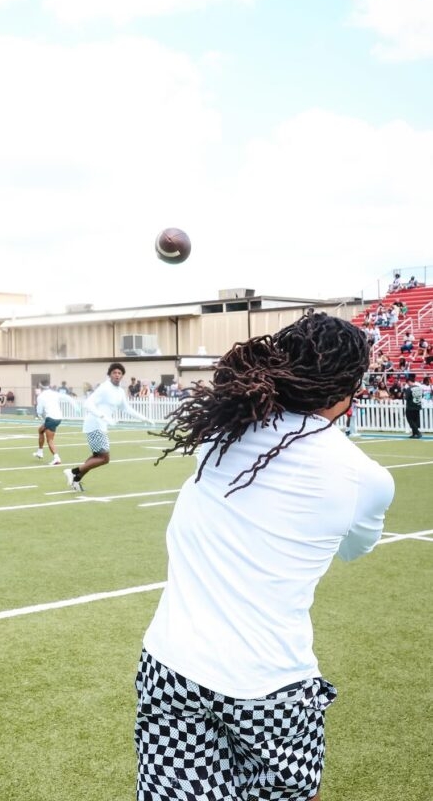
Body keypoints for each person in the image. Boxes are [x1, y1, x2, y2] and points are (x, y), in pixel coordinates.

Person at [135, 313, 395, 801]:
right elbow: (356, 549)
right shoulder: (366, 479)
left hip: (172, 665)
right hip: (272, 684)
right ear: (349, 388)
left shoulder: (221, 430)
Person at [65, 362, 155, 492]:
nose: (117, 375)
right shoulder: (104, 387)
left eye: (119, 373)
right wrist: (102, 416)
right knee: (104, 458)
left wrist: (144, 418)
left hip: (101, 426)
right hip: (94, 424)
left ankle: (76, 479)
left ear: (122, 376)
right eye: (114, 373)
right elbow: (88, 404)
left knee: (97, 456)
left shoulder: (119, 391)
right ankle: (73, 472)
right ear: (110, 374)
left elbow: (126, 408)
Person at [33, 380, 68, 465]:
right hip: (58, 417)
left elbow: (39, 411)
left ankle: (56, 458)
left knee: (50, 440)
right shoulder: (54, 393)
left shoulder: (41, 396)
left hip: (51, 418)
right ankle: (40, 451)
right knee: (40, 430)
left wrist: (40, 414)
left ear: (41, 387)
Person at [404, 372, 424, 439]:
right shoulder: (419, 388)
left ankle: (417, 432)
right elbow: (422, 395)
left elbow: (406, 398)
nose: (407, 384)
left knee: (410, 420)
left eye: (407, 383)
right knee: (415, 420)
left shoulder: (409, 389)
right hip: (417, 406)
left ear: (409, 382)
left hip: (410, 407)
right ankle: (414, 434)